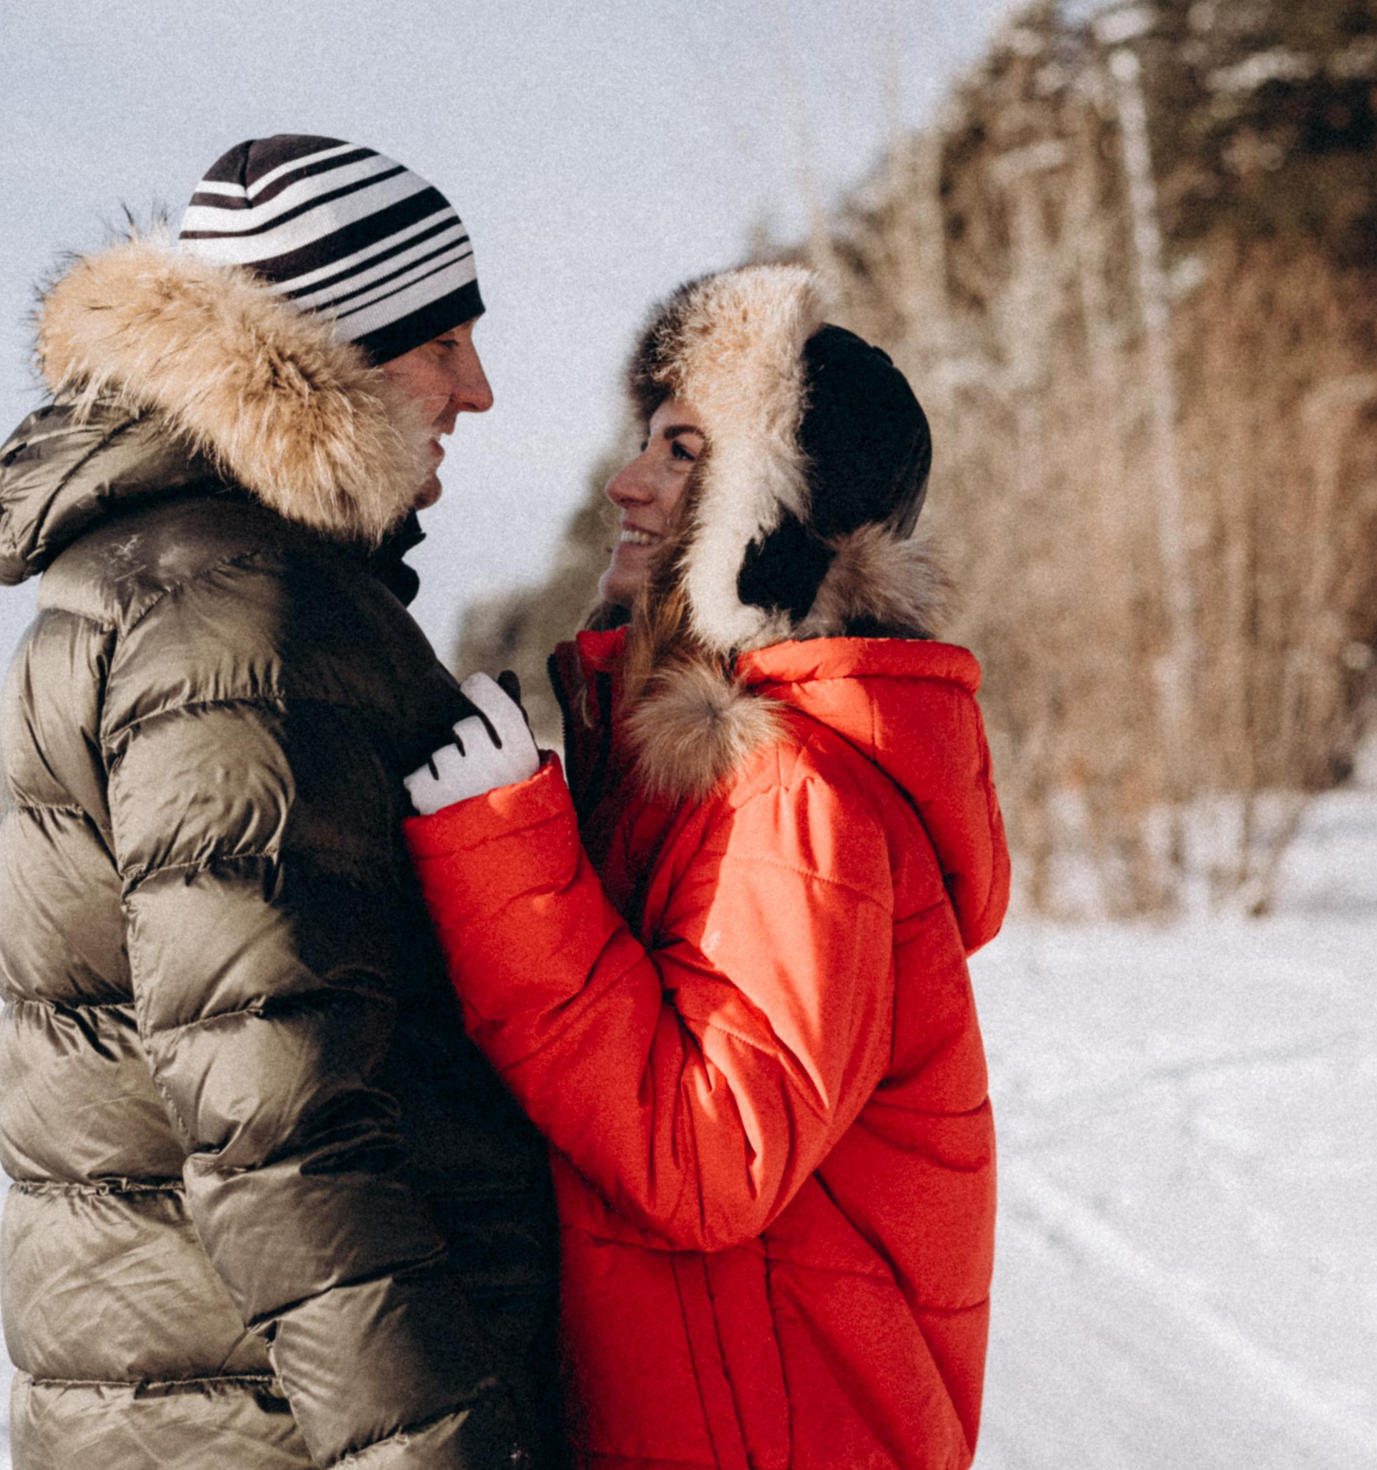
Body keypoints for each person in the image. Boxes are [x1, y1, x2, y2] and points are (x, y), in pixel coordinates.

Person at [0, 135, 561, 1469]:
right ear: (333, 351)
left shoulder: (173, 572)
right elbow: (277, 1123)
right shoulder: (235, 616)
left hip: (212, 1398)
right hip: (276, 1420)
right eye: (442, 340)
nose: (476, 388)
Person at [398, 263, 1011, 1470]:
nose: (626, 481)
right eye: (644, 442)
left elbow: (708, 1153)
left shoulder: (791, 789)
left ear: (773, 512)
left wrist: (504, 857)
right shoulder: (692, 771)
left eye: (682, 451)